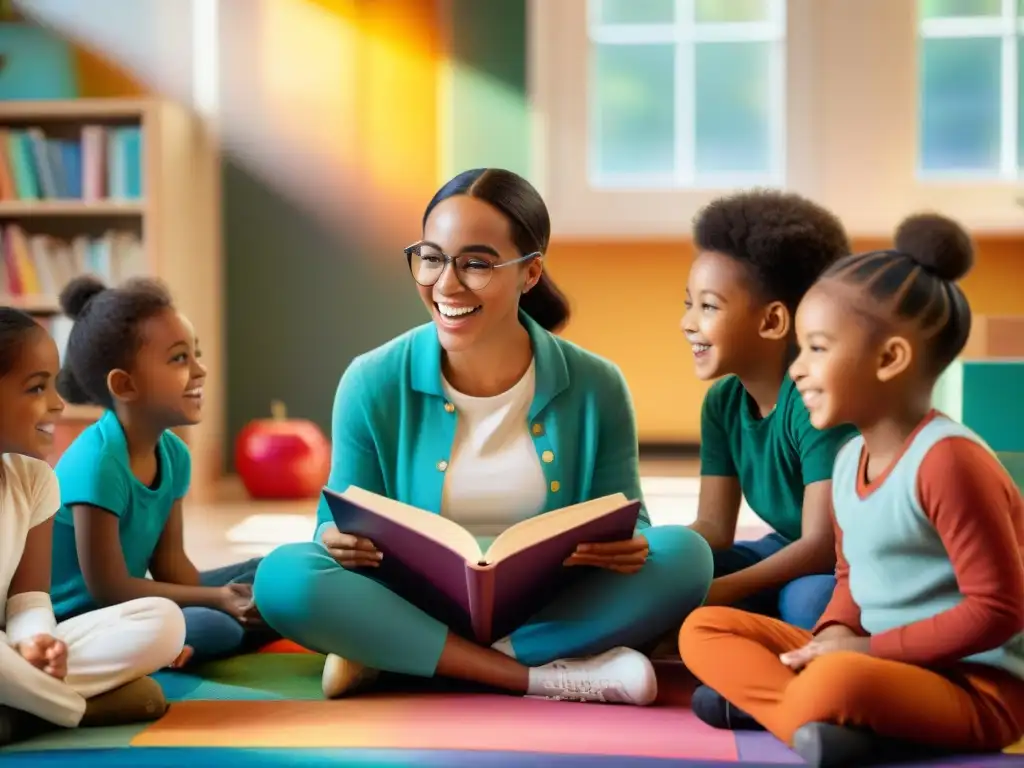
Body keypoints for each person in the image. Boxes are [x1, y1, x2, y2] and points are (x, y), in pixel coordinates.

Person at [253, 168, 713, 705]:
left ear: (531, 272)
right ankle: (534, 676)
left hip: (549, 604)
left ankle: (396, 654)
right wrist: (332, 540)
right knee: (284, 577)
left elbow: (633, 522)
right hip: (409, 600)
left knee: (686, 556)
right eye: (430, 257)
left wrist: (625, 544)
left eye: (475, 264)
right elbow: (332, 525)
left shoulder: (597, 385)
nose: (446, 284)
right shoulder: (370, 380)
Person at [679, 213, 1024, 767]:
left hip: (970, 686)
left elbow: (998, 612)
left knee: (837, 679)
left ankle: (791, 708)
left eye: (816, 349)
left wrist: (863, 650)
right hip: (872, 661)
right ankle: (819, 721)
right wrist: (833, 632)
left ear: (890, 359)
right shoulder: (847, 462)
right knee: (703, 628)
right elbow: (848, 576)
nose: (797, 370)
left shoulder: (948, 462)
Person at [679, 190, 859, 728]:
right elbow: (713, 528)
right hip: (782, 550)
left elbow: (821, 544)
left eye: (708, 306)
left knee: (807, 606)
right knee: (674, 565)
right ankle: (773, 681)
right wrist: (662, 570)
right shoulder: (722, 403)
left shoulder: (817, 402)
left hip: (842, 566)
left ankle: (797, 695)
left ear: (773, 321)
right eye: (686, 303)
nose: (689, 322)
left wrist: (710, 593)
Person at [48, 276, 276, 667]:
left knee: (272, 571)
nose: (200, 371)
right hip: (84, 620)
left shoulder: (173, 453)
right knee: (213, 626)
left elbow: (171, 566)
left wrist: (232, 591)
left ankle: (232, 629)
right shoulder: (96, 463)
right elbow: (108, 589)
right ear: (125, 384)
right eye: (179, 359)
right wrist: (219, 599)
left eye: (196, 354)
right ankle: (219, 635)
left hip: (138, 602)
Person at [0, 307, 186, 747]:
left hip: (8, 655)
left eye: (54, 384)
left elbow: (28, 600)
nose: (57, 404)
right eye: (36, 387)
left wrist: (37, 642)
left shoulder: (35, 480)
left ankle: (19, 708)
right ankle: (72, 711)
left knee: (165, 620)